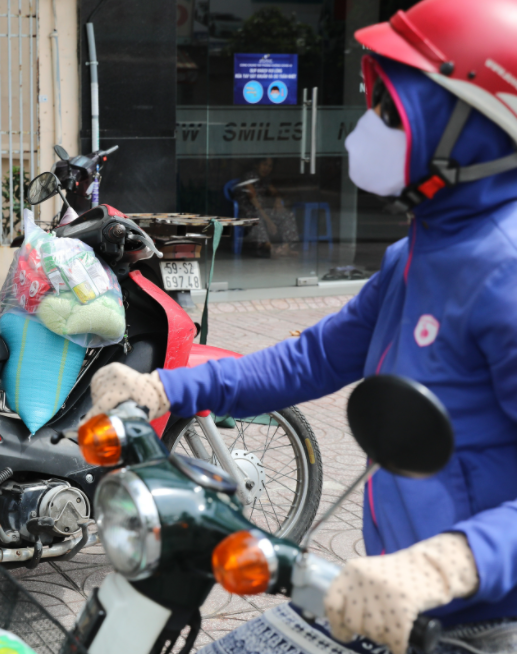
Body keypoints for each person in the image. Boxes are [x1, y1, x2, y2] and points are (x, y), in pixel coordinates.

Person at [87, 1, 517, 653]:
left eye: (390, 112)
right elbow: (309, 360)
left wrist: (444, 564)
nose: (365, 131)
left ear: (472, 129)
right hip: (372, 595)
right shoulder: (420, 254)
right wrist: (166, 389)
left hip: (460, 621)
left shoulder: (506, 272)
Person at [236, 157, 299, 257]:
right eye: (264, 164)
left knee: (287, 215)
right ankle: (269, 248)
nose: (267, 168)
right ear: (256, 164)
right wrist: (269, 221)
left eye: (270, 166)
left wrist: (278, 200)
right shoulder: (248, 177)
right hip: (249, 211)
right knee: (256, 218)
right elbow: (253, 201)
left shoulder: (265, 179)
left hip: (263, 211)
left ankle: (286, 247)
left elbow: (275, 192)